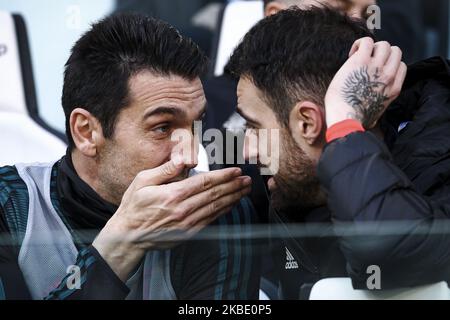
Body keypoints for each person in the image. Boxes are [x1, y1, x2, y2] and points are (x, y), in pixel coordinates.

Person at [0, 13, 260, 300]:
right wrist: (119, 245)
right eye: (162, 127)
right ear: (86, 132)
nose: (190, 156)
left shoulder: (217, 212)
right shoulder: (9, 206)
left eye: (197, 125)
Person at [227, 7, 450, 299]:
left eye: (254, 127)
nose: (248, 152)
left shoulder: (439, 152)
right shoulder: (288, 176)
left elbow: (390, 252)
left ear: (307, 122)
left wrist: (344, 120)